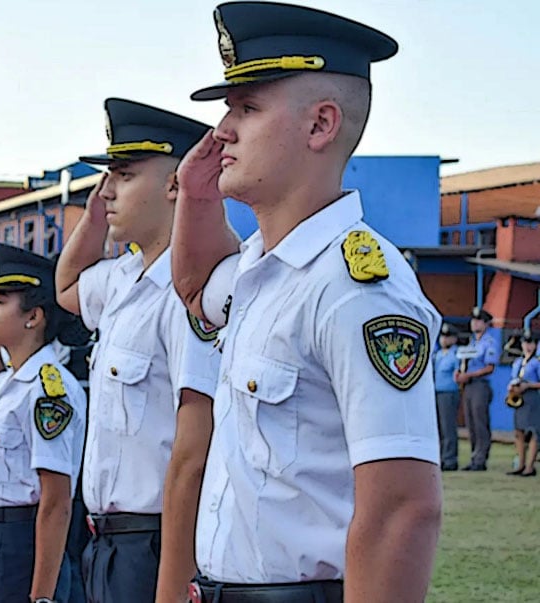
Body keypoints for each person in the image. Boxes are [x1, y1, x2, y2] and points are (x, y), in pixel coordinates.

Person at [171, 3, 442, 601]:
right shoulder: (260, 271)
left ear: (321, 125)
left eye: (247, 108)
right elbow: (195, 291)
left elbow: (403, 509)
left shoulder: (357, 288)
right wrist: (194, 199)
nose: (221, 131)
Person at [54, 98, 221, 603]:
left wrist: (171, 588)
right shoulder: (125, 278)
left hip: (153, 543)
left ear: (175, 185)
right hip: (106, 540)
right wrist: (94, 217)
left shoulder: (187, 291)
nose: (107, 190)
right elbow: (66, 288)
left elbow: (193, 453)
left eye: (124, 175)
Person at [0, 243, 87, 603]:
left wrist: (42, 597)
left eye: (0, 300)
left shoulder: (48, 389)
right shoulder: (9, 381)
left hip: (21, 541)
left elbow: (56, 502)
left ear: (33, 317)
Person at [455, 306, 498, 471]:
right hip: (468, 384)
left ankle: (481, 458)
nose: (474, 323)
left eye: (478, 320)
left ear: (486, 323)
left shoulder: (489, 342)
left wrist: (470, 375)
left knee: (480, 422)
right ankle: (474, 457)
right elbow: (465, 362)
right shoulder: (472, 342)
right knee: (471, 422)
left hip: (480, 384)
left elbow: (490, 367)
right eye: (473, 320)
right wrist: (459, 372)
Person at [506, 331, 539, 477]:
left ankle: (530, 467)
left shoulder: (536, 362)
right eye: (526, 343)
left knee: (533, 432)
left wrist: (529, 385)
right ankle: (520, 464)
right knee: (519, 431)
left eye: (531, 343)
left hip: (532, 397)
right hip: (519, 397)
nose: (528, 346)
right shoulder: (518, 362)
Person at [433, 323, 461, 471]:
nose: (444, 339)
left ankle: (450, 459)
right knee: (438, 427)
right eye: (443, 336)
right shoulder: (437, 354)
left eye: (448, 337)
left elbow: (459, 372)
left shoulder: (457, 354)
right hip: (437, 392)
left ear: (454, 339)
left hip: (449, 392)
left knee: (447, 426)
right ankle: (440, 457)